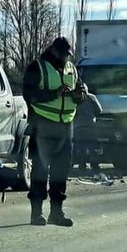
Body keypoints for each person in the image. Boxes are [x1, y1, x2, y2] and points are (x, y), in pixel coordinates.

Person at [23, 37, 87, 227]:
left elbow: (81, 94)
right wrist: (55, 94)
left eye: (68, 55)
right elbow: (29, 95)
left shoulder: (71, 69)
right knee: (40, 171)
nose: (65, 58)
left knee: (60, 172)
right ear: (53, 51)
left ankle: (56, 213)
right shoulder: (38, 67)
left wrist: (79, 95)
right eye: (63, 54)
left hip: (66, 126)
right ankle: (36, 214)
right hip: (43, 125)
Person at [73, 90, 102, 171]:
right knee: (93, 145)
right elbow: (99, 110)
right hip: (91, 125)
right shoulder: (91, 97)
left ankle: (82, 164)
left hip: (78, 126)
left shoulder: (74, 97)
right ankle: (94, 165)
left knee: (80, 146)